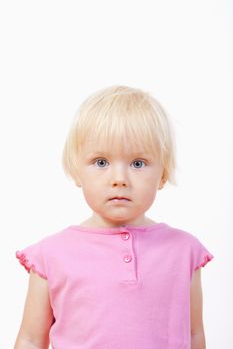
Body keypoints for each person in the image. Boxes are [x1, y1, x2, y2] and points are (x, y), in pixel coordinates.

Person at [14, 85, 214, 349]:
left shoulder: (184, 250)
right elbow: (30, 340)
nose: (119, 179)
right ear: (77, 171)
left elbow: (194, 335)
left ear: (163, 174)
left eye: (138, 163)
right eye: (101, 162)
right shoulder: (49, 256)